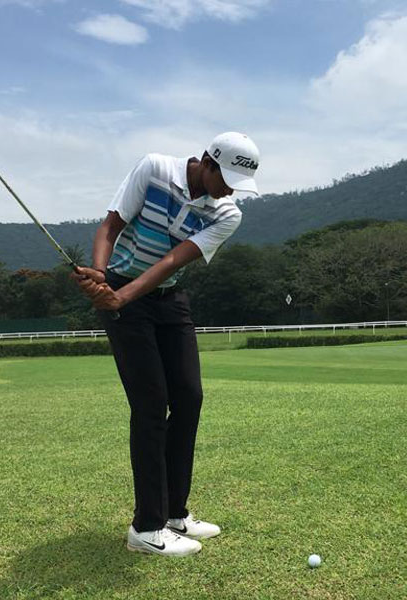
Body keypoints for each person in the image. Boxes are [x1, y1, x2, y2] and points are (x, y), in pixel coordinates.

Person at [72, 132, 260, 556]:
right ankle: (146, 527)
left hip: (165, 297)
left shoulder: (227, 213)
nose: (230, 191)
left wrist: (121, 296)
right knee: (151, 405)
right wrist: (100, 276)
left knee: (189, 398)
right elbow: (111, 226)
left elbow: (173, 260)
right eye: (226, 179)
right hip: (122, 291)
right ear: (207, 162)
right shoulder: (155, 168)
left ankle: (175, 513)